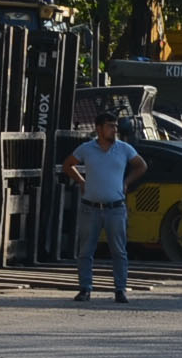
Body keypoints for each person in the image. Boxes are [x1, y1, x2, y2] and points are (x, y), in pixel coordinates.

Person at [62, 111, 147, 303]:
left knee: (119, 251)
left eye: (115, 126)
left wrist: (126, 182)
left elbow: (141, 166)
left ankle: (120, 289)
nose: (114, 130)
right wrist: (81, 181)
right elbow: (68, 165)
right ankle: (85, 288)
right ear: (99, 128)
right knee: (85, 251)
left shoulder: (124, 148)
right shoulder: (87, 148)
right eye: (110, 126)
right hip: (90, 208)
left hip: (115, 208)